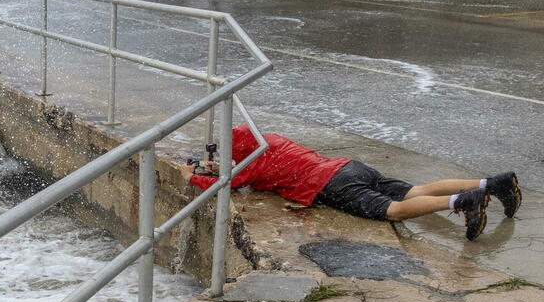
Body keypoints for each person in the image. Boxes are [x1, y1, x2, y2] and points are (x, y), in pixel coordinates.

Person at [179, 126, 522, 241]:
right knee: (416, 190)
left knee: (394, 211)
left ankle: (462, 202)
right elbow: (251, 166)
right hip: (349, 167)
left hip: (331, 185)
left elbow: (226, 184)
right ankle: (494, 183)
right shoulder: (270, 141)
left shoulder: (252, 164)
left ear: (240, 151)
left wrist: (191, 174)